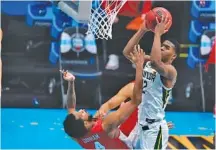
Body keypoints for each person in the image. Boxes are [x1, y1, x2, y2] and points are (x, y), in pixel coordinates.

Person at [62, 46, 145, 149]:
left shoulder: (77, 135)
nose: (82, 110)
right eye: (81, 113)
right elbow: (137, 99)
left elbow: (70, 107)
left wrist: (71, 82)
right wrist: (139, 66)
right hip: (132, 146)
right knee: (134, 98)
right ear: (86, 124)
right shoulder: (106, 125)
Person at [123, 15, 180, 149]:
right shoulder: (148, 62)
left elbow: (156, 62)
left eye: (166, 48)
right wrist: (143, 30)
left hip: (154, 129)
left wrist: (158, 34)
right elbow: (127, 52)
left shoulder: (171, 71)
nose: (161, 48)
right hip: (140, 124)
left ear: (174, 56)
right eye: (162, 46)